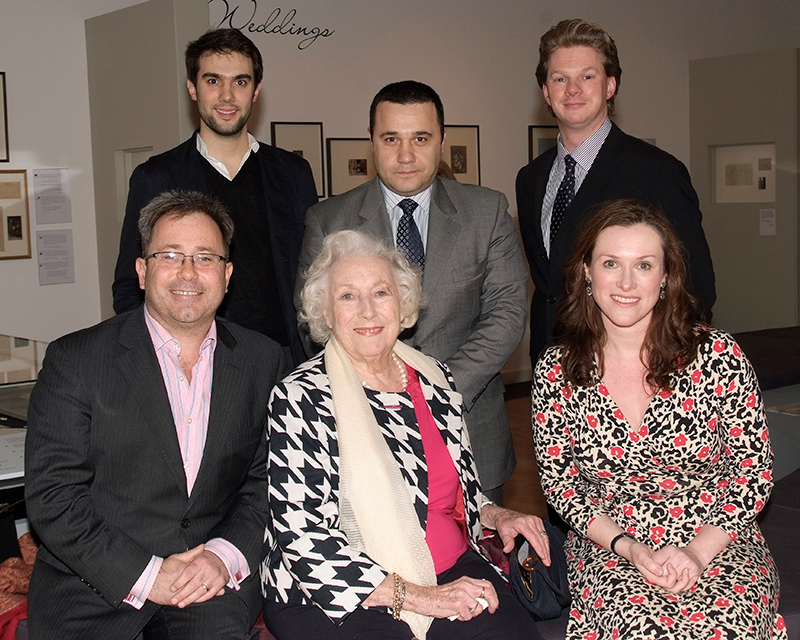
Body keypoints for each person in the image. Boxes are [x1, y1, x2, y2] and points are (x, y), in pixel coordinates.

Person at [262, 230, 550, 640]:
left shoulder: (434, 378)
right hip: (332, 591)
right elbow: (305, 536)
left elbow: (453, 489)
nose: (367, 311)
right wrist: (421, 597)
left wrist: (493, 513)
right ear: (325, 314)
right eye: (347, 296)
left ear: (403, 304)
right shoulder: (300, 397)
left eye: (380, 293)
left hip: (447, 564)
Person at [26, 191, 287, 639]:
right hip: (94, 589)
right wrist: (148, 575)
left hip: (207, 586)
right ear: (143, 271)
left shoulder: (264, 361)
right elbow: (54, 497)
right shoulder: (76, 360)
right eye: (170, 255)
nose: (188, 272)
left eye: (205, 257)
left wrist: (224, 556)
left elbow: (268, 481)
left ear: (226, 275)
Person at [531, 199, 785, 639]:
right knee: (640, 630)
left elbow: (753, 472)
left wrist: (698, 553)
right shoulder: (557, 370)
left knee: (725, 629)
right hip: (611, 545)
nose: (626, 282)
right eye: (611, 263)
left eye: (644, 265)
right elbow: (561, 486)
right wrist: (628, 548)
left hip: (719, 539)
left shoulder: (717, 356)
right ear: (587, 272)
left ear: (666, 277)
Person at [296, 81, 528, 503]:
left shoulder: (487, 211)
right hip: (364, 426)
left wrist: (439, 388)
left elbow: (507, 312)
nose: (406, 155)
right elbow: (315, 325)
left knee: (481, 561)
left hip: (470, 425)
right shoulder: (328, 219)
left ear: (441, 140)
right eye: (391, 139)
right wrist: (381, 393)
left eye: (420, 138)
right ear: (372, 142)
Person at [516, 18, 716, 366]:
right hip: (552, 367)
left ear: (610, 85)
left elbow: (696, 288)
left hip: (633, 369)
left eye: (587, 76)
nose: (573, 89)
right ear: (546, 92)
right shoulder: (530, 178)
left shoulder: (658, 172)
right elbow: (549, 288)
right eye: (560, 79)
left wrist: (668, 368)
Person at [113, 28, 317, 366]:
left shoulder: (293, 173)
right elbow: (129, 285)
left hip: (285, 360)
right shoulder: (156, 177)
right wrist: (156, 362)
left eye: (240, 82)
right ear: (192, 88)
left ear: (256, 90)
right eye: (212, 81)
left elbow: (314, 274)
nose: (226, 96)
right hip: (195, 360)